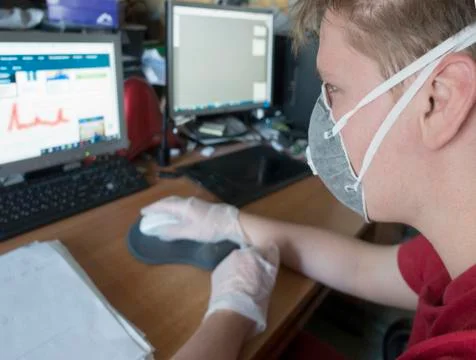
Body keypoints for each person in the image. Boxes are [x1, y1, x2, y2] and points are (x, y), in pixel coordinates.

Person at [141, 0, 476, 359]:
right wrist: (229, 223)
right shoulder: (455, 249)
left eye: (333, 88)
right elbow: (363, 268)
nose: (325, 117)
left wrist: (231, 314)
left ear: (439, 99)